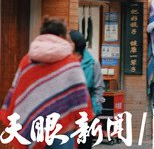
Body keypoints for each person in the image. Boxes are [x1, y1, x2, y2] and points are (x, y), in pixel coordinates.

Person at [1, 16, 94, 149]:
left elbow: (17, 93)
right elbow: (80, 97)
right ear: (62, 35)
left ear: (42, 33)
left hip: (33, 129)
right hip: (62, 130)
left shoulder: (27, 61)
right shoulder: (71, 62)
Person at [70, 30, 105, 149]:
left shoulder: (92, 64)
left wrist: (95, 110)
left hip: (85, 115)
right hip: (67, 115)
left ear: (74, 45)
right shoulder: (64, 62)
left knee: (83, 146)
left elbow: (99, 88)